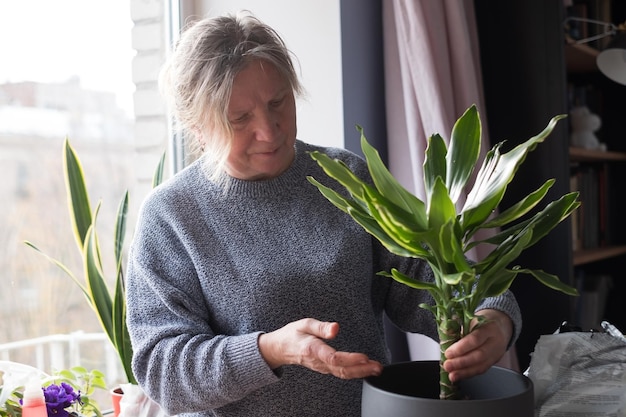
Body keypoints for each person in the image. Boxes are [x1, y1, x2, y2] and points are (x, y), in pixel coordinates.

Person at [125, 11, 522, 417]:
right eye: (239, 119)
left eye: (278, 101)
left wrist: (492, 316)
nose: (269, 129)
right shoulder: (171, 216)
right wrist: (270, 350)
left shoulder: (347, 176)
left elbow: (427, 278)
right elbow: (162, 372)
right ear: (197, 126)